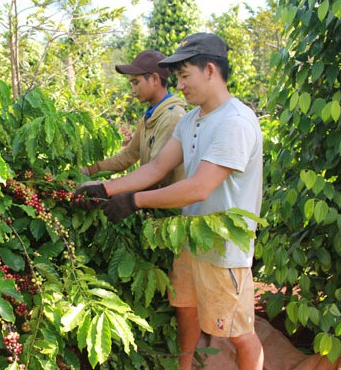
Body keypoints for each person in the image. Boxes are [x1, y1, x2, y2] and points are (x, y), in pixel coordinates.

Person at [75, 33, 264, 370]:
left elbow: (199, 188)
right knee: (186, 310)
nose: (179, 85)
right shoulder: (191, 119)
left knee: (238, 332)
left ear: (210, 70)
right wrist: (106, 188)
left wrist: (135, 201)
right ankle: (184, 366)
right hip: (189, 238)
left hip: (224, 248)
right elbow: (157, 167)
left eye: (184, 76)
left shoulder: (235, 122)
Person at [80, 49, 186, 189]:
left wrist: (106, 188)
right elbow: (129, 155)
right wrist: (89, 171)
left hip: (170, 207)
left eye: (136, 82)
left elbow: (155, 173)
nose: (133, 90)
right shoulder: (149, 117)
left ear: (155, 79)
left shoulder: (172, 118)